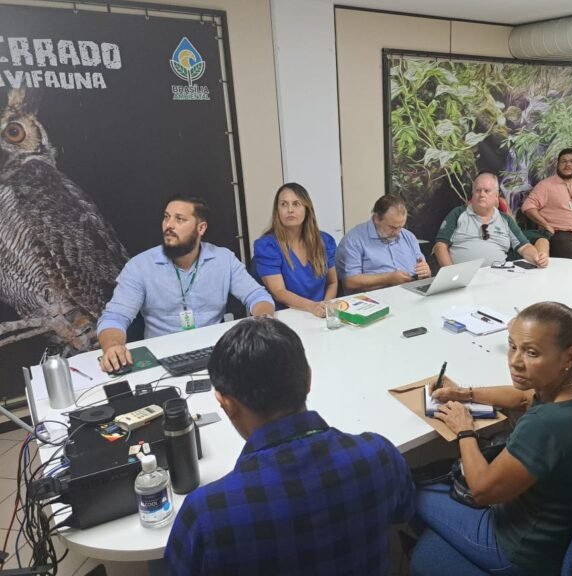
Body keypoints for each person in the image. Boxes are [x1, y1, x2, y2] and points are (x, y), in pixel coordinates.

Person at [164, 317, 415, 575]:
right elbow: (404, 512)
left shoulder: (206, 514)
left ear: (226, 404)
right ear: (308, 379)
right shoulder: (378, 455)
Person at [411, 302, 572, 576]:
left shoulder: (546, 424)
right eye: (512, 346)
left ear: (569, 357)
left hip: (518, 550)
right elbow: (524, 398)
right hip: (559, 528)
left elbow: (482, 491)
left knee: (407, 488)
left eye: (531, 352)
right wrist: (465, 394)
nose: (515, 361)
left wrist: (465, 430)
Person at [97, 195, 274, 372]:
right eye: (166, 217)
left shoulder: (223, 259)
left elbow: (257, 296)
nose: (169, 225)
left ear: (201, 228)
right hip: (162, 359)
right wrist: (112, 345)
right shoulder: (140, 266)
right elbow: (115, 317)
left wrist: (263, 321)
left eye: (179, 219)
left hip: (215, 353)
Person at [252, 183, 338, 317]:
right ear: (277, 211)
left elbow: (332, 282)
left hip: (320, 314)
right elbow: (278, 292)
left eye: (296, 204)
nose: (290, 210)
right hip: (287, 317)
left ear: (307, 209)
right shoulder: (267, 246)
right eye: (284, 204)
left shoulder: (324, 241)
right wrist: (312, 307)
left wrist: (325, 307)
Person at [434, 172, 549, 268]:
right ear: (472, 194)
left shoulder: (506, 220)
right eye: (478, 190)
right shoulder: (458, 214)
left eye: (487, 191)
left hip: (497, 276)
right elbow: (440, 246)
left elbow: (524, 247)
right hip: (463, 278)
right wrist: (451, 274)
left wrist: (537, 257)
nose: (481, 194)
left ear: (496, 196)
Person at [336, 194, 431, 293]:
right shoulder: (354, 240)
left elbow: (422, 269)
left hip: (411, 292)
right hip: (374, 297)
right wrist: (387, 279)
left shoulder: (408, 236)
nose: (397, 232)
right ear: (377, 219)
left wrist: (425, 272)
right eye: (392, 227)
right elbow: (350, 282)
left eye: (401, 227)